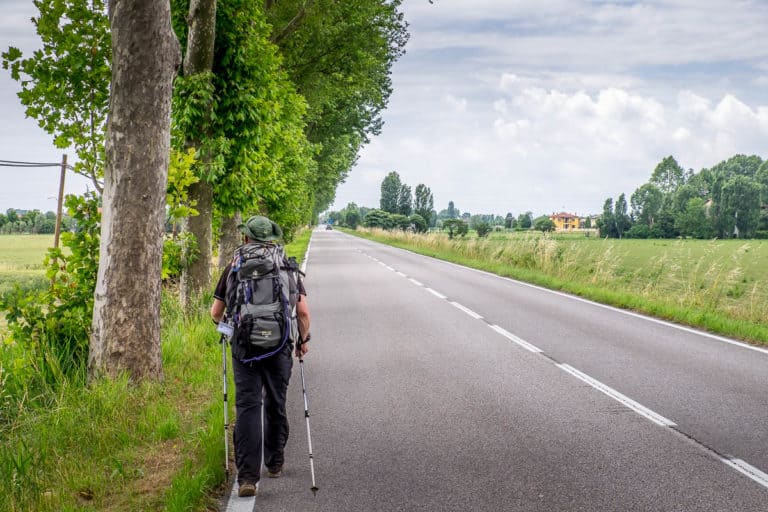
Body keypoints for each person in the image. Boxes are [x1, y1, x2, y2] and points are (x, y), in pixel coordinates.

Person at [210, 215, 311, 497]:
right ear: (272, 238)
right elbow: (302, 312)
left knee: (248, 407)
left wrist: (228, 331)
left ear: (246, 237)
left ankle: (247, 479)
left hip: (244, 349)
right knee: (276, 402)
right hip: (279, 347)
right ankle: (275, 462)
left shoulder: (234, 267)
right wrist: (303, 339)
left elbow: (216, 313)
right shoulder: (286, 266)